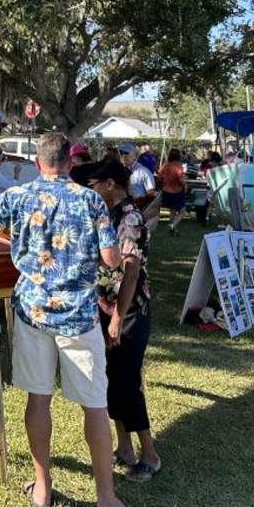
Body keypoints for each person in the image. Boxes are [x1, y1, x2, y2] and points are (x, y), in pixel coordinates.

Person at [0, 132, 144, 507]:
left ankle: (42, 487)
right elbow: (111, 260)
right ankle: (106, 501)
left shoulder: (18, 196)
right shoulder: (91, 200)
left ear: (38, 162)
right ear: (69, 163)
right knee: (94, 406)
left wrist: (11, 235)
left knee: (38, 399)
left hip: (32, 312)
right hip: (78, 314)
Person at [89, 159, 160, 482]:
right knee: (111, 380)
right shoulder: (108, 214)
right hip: (106, 308)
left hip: (128, 311)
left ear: (110, 185)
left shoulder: (129, 218)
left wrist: (118, 317)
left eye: (94, 184)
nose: (90, 189)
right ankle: (124, 447)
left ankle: (149, 454)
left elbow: (130, 273)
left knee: (127, 382)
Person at [158, 148, 187, 235]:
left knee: (173, 210)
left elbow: (159, 175)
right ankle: (172, 225)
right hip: (176, 191)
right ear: (178, 156)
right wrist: (185, 185)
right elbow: (181, 180)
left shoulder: (166, 165)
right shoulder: (178, 166)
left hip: (166, 191)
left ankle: (172, 228)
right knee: (183, 211)